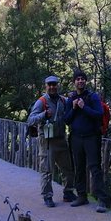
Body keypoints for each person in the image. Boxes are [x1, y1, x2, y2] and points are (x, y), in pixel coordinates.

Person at [63, 68, 110, 213]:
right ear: (74, 82)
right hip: (76, 138)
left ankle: (101, 200)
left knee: (95, 168)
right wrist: (74, 108)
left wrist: (84, 107)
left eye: (82, 78)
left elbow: (98, 114)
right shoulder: (71, 99)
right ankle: (82, 196)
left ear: (85, 81)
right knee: (79, 167)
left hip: (91, 137)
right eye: (77, 79)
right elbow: (66, 119)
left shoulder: (92, 97)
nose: (80, 81)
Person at [27, 75, 77, 208]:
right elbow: (30, 120)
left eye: (54, 84)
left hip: (61, 139)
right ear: (46, 86)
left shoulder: (63, 100)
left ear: (57, 85)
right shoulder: (41, 101)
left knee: (68, 169)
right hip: (47, 142)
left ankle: (68, 192)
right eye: (49, 85)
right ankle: (47, 196)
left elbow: (72, 106)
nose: (52, 87)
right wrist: (44, 115)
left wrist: (73, 97)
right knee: (47, 170)